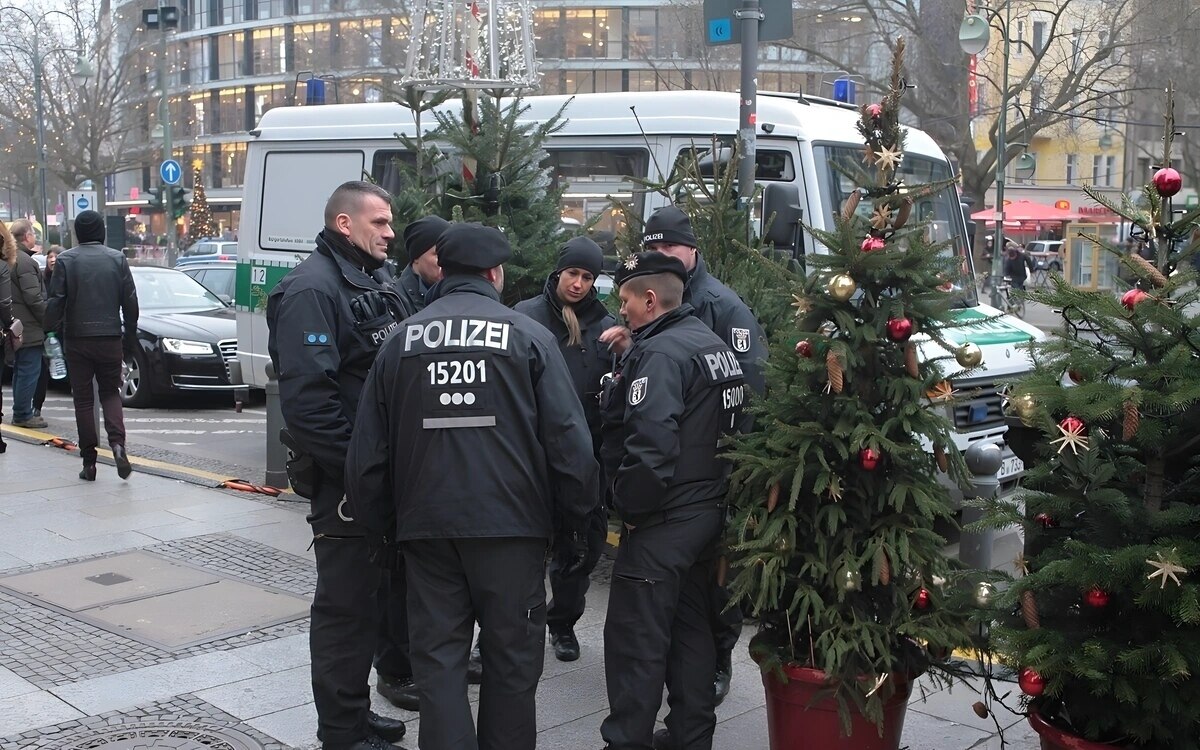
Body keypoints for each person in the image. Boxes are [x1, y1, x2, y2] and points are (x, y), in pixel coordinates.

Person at [346, 222, 599, 750]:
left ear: (443, 271)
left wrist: (381, 533)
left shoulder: (401, 341)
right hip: (513, 531)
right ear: (493, 273)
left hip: (427, 532)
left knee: (438, 667)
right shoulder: (530, 338)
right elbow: (569, 445)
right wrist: (577, 523)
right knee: (511, 664)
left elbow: (368, 454)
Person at [600, 205, 765, 707]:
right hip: (698, 498)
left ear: (690, 251)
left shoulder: (722, 308)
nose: (660, 256)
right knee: (688, 619)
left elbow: (742, 401)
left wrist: (631, 507)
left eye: (667, 248)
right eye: (652, 250)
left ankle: (638, 731)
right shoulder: (664, 320)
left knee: (652, 629)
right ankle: (693, 723)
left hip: (678, 501)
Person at [266, 181, 409, 750]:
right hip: (349, 483)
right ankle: (341, 732)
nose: (390, 231)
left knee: (369, 604)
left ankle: (352, 709)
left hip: (374, 477)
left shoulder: (370, 279)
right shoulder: (312, 290)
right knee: (345, 610)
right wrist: (362, 474)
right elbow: (310, 405)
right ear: (345, 224)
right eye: (380, 222)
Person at [514, 236, 614, 662]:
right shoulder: (525, 317)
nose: (578, 284)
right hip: (534, 458)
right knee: (522, 552)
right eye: (573, 273)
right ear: (558, 272)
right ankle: (511, 625)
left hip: (585, 457)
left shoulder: (606, 326)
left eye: (588, 277)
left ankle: (563, 623)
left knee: (582, 549)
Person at [44, 211, 138, 482]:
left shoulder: (65, 260)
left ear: (78, 234)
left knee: (84, 400)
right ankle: (118, 446)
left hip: (77, 338)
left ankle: (89, 462)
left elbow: (56, 301)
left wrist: (48, 328)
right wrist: (128, 336)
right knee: (110, 393)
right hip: (110, 337)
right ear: (101, 231)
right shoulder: (117, 259)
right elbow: (130, 301)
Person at [7, 219, 46, 428]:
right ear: (26, 236)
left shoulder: (9, 258)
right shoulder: (24, 262)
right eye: (32, 233)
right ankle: (23, 414)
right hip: (27, 327)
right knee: (29, 370)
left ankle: (20, 411)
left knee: (20, 371)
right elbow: (34, 297)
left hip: (14, 326)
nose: (34, 237)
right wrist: (48, 319)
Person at [394, 215, 449, 317]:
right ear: (416, 257)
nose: (447, 260)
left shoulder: (458, 291)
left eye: (450, 253)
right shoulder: (396, 301)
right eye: (438, 253)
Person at [32, 246, 61, 418]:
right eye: (50, 256)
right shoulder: (42, 278)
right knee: (42, 369)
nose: (52, 260)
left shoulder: (66, 278)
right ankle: (36, 406)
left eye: (56, 256)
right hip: (45, 329)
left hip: (63, 329)